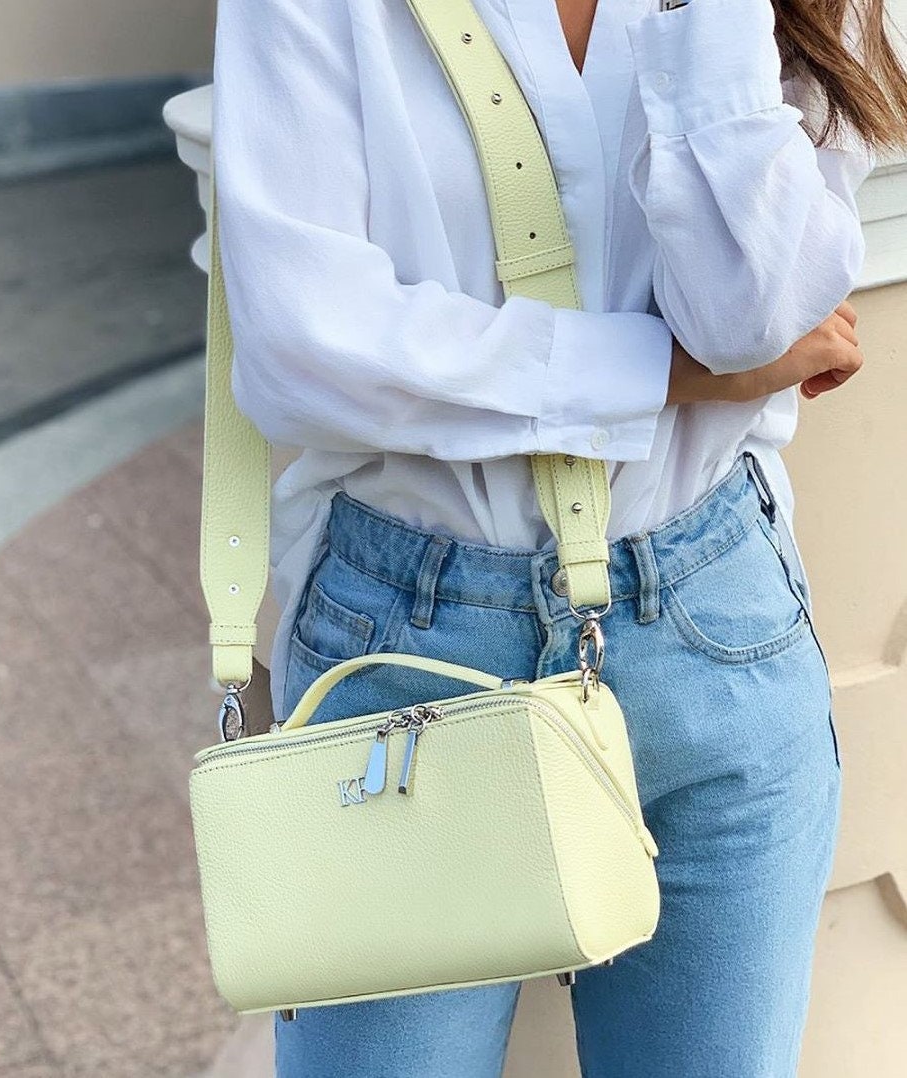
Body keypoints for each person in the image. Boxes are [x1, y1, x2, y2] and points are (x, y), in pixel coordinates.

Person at [209, 0, 907, 1073]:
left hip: (713, 626)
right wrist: (655, 372)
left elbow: (751, 321)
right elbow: (306, 349)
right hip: (408, 648)